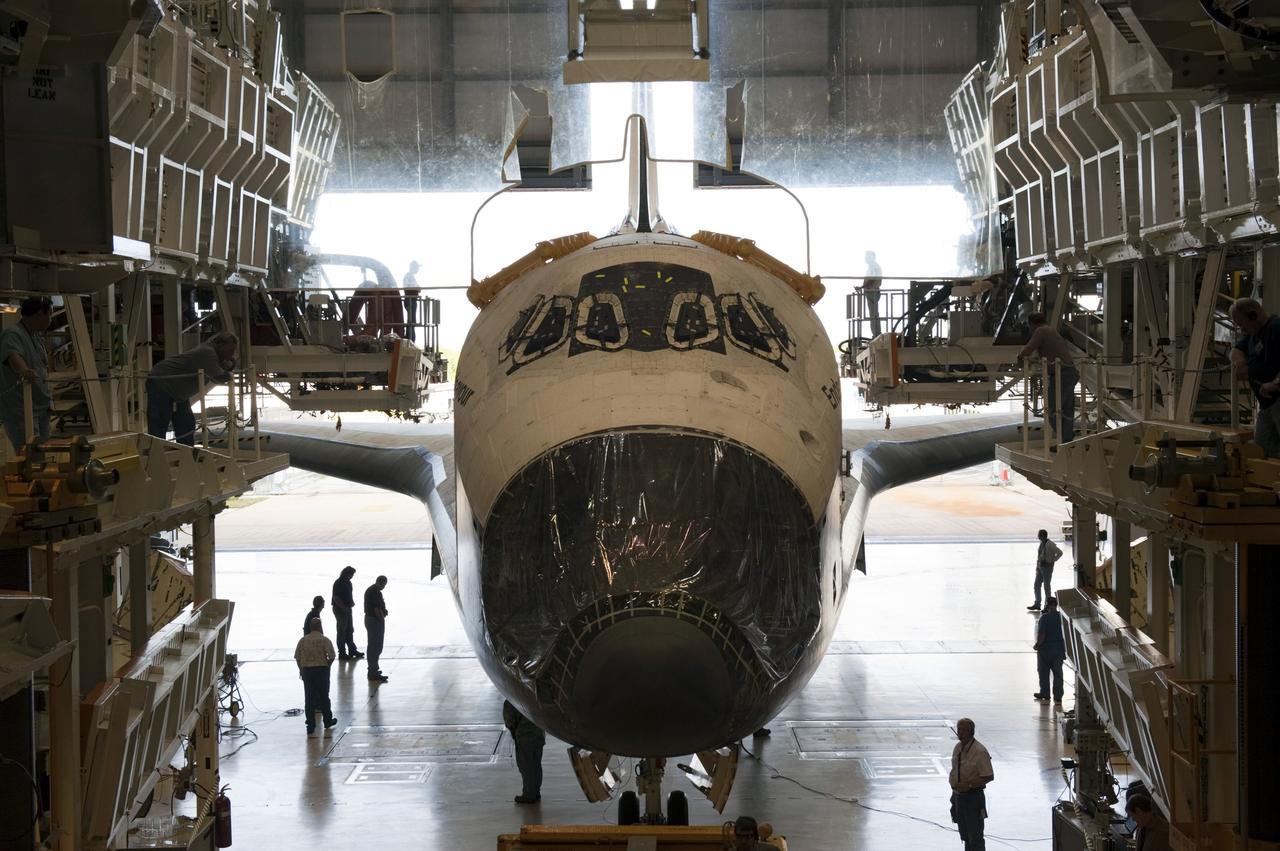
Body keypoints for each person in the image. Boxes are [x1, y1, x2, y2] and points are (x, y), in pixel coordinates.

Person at [146, 331, 238, 446]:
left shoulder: (212, 355)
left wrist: (226, 366)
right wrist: (230, 372)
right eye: (230, 350)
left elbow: (216, 378)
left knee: (186, 423)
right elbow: (220, 377)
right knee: (159, 422)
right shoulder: (208, 353)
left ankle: (186, 454)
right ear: (220, 345)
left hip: (178, 392)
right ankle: (156, 454)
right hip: (162, 383)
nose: (232, 354)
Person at [0, 296, 53, 452]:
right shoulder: (13, 334)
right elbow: (13, 355)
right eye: (48, 315)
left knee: (43, 455)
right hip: (22, 410)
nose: (50, 320)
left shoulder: (36, 336)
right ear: (38, 314)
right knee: (29, 457)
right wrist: (23, 370)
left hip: (41, 407)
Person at [1229, 297, 1280, 457]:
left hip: (1277, 398)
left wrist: (1275, 383)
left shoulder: (1276, 328)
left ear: (1253, 316)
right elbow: (1235, 351)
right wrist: (1241, 363)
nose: (1242, 330)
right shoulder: (1254, 334)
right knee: (1263, 447)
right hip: (1267, 404)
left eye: (1242, 324)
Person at [1018, 313, 1077, 444]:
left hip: (1061, 374)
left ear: (1031, 324)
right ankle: (1067, 442)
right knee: (1066, 410)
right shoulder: (1050, 330)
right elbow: (1050, 352)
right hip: (1069, 372)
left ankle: (1065, 441)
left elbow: (1028, 349)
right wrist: (1036, 360)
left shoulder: (1040, 331)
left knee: (1053, 410)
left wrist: (1020, 360)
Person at [949, 717, 994, 851]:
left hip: (973, 798)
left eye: (964, 730)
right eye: (959, 729)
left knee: (975, 836)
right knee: (965, 834)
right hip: (958, 796)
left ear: (971, 732)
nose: (960, 733)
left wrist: (968, 785)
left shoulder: (979, 751)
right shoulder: (958, 747)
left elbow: (988, 775)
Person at [294, 617, 338, 736]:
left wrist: (301, 669)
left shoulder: (303, 640)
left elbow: (297, 657)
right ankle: (328, 721)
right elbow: (332, 656)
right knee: (324, 696)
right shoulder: (324, 640)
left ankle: (310, 725)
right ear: (320, 626)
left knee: (309, 698)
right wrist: (327, 666)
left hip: (307, 671)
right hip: (321, 670)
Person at [503, 700, 546, 804]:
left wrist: (514, 731)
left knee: (526, 768)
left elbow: (509, 721)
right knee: (536, 765)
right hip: (538, 736)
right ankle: (536, 792)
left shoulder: (511, 699)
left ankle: (528, 794)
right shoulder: (534, 697)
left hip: (524, 738)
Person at [1033, 597, 1066, 706]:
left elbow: (1042, 635)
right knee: (1058, 674)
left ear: (1047, 605)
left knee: (1043, 672)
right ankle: (1058, 697)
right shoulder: (1061, 617)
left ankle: (1045, 693)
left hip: (1045, 650)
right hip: (1059, 649)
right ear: (1056, 604)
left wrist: (1037, 645)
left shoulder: (1044, 618)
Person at [331, 566, 363, 660]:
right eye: (351, 574)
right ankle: (342, 653)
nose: (352, 576)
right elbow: (336, 597)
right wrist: (343, 608)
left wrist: (350, 603)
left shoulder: (348, 582)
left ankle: (352, 650)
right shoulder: (338, 583)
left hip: (347, 609)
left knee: (350, 630)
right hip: (340, 610)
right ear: (347, 573)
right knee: (342, 631)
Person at [1027, 528, 1062, 611]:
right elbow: (1039, 556)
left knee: (1046, 587)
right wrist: (1037, 567)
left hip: (1047, 568)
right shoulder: (1042, 543)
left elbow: (1060, 553)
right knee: (1036, 585)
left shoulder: (1050, 544)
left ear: (1043, 536)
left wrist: (1052, 560)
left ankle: (1047, 606)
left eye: (1039, 536)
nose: (1038, 537)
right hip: (1040, 567)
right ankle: (1037, 604)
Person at [364, 575, 389, 682]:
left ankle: (373, 669)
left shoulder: (373, 590)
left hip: (372, 620)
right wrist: (382, 620)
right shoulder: (374, 592)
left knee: (374, 646)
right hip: (374, 621)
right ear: (381, 583)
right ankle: (373, 672)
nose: (384, 587)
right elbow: (376, 609)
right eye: (384, 585)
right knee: (375, 646)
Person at [862, 250, 883, 337]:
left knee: (873, 314)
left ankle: (876, 334)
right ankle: (876, 334)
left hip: (872, 292)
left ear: (873, 257)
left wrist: (863, 286)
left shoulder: (874, 266)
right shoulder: (872, 266)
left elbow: (872, 278)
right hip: (871, 291)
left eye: (868, 256)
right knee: (873, 314)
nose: (866, 257)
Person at [403, 261, 422, 342]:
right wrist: (417, 289)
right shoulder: (409, 276)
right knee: (411, 321)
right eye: (417, 267)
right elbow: (411, 288)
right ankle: (410, 341)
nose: (418, 269)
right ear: (413, 267)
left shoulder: (410, 276)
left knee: (411, 321)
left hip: (412, 300)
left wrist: (417, 288)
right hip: (410, 300)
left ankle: (410, 340)